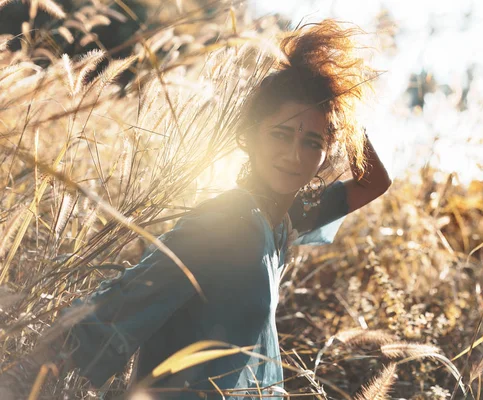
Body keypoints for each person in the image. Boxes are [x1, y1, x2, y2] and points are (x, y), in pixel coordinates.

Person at [0, 19, 392, 399]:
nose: (294, 154)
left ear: (326, 154)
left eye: (311, 142)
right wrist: (21, 378)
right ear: (250, 135)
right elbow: (126, 296)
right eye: (280, 133)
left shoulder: (285, 220)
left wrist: (341, 107)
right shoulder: (229, 220)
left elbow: (374, 182)